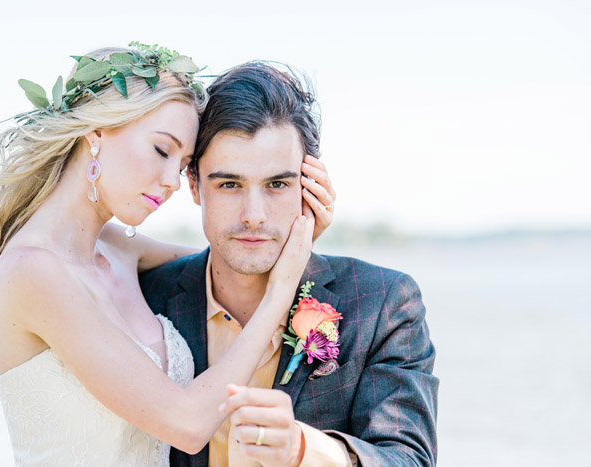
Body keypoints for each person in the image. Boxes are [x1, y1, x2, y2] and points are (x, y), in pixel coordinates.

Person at [0, 45, 336, 466]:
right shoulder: (34, 271)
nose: (173, 182)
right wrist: (283, 290)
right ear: (96, 132)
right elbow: (189, 425)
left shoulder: (121, 248)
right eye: (162, 150)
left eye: (182, 165)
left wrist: (297, 228)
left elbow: (237, 260)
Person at [139, 62, 439, 466]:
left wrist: (306, 449)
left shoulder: (383, 302)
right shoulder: (146, 294)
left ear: (310, 186)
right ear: (193, 185)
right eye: (229, 184)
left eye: (277, 184)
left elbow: (409, 459)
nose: (254, 215)